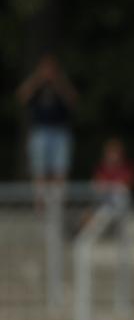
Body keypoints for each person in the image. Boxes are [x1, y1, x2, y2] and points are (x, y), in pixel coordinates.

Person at [16, 55, 78, 207]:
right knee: (39, 169)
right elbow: (21, 96)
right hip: (40, 131)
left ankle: (57, 203)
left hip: (60, 131)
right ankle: (40, 203)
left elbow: (72, 100)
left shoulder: (61, 84)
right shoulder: (37, 84)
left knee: (60, 169)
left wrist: (57, 82)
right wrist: (38, 79)